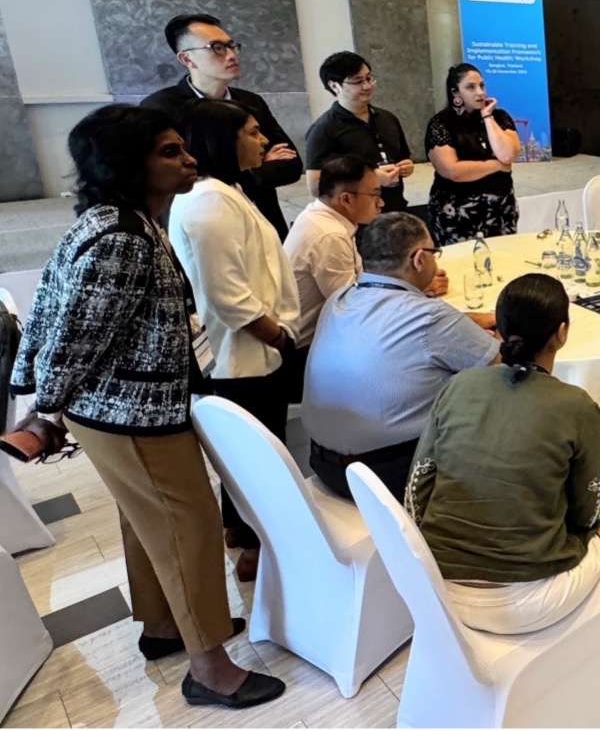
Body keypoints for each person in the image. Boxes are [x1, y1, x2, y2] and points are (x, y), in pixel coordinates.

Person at [8, 105, 284, 708]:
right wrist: (44, 408)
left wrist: (43, 396)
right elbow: (70, 335)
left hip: (121, 408)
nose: (188, 159)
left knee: (146, 521)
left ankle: (165, 627)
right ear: (126, 165)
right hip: (130, 413)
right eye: (168, 152)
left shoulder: (120, 220)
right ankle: (210, 670)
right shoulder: (122, 239)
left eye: (183, 147)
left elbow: (50, 306)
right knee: (187, 526)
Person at [407, 273, 600, 659]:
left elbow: (418, 484)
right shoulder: (575, 405)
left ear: (498, 329)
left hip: (438, 588)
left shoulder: (459, 385)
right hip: (528, 600)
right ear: (562, 332)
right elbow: (588, 513)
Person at [168, 99, 300, 582]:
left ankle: (242, 532)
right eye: (252, 132)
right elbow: (228, 296)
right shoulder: (209, 202)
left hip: (250, 352)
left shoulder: (228, 191)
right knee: (256, 458)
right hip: (242, 356)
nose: (264, 140)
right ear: (222, 141)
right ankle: (258, 551)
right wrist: (279, 338)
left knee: (248, 454)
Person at [301, 212, 498, 501]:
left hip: (324, 464)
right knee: (497, 409)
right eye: (433, 253)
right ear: (419, 259)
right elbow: (497, 367)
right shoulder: (430, 316)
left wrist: (466, 322)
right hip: (390, 475)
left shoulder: (338, 301)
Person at [142, 13, 301, 239]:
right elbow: (176, 177)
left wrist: (225, 175)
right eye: (217, 48)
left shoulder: (250, 101)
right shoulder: (161, 108)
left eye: (231, 46)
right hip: (201, 223)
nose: (231, 55)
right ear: (186, 59)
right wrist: (256, 168)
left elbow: (292, 164)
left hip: (263, 215)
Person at [282, 154, 384, 400]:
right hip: (307, 355)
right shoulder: (329, 235)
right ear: (346, 199)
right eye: (375, 194)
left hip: (316, 340)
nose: (381, 203)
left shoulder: (318, 215)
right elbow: (353, 310)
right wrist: (409, 289)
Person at [304, 51, 414, 212]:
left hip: (394, 207)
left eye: (369, 78)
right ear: (334, 86)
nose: (367, 86)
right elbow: (315, 186)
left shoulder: (387, 118)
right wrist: (370, 178)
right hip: (355, 216)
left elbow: (403, 157)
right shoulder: (324, 129)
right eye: (357, 81)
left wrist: (406, 166)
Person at [425, 62, 521, 246]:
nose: (480, 92)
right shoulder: (441, 123)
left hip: (501, 209)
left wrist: (487, 117)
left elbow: (508, 155)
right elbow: (453, 171)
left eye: (482, 86)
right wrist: (497, 165)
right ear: (455, 93)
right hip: (457, 212)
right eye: (471, 87)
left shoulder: (499, 117)